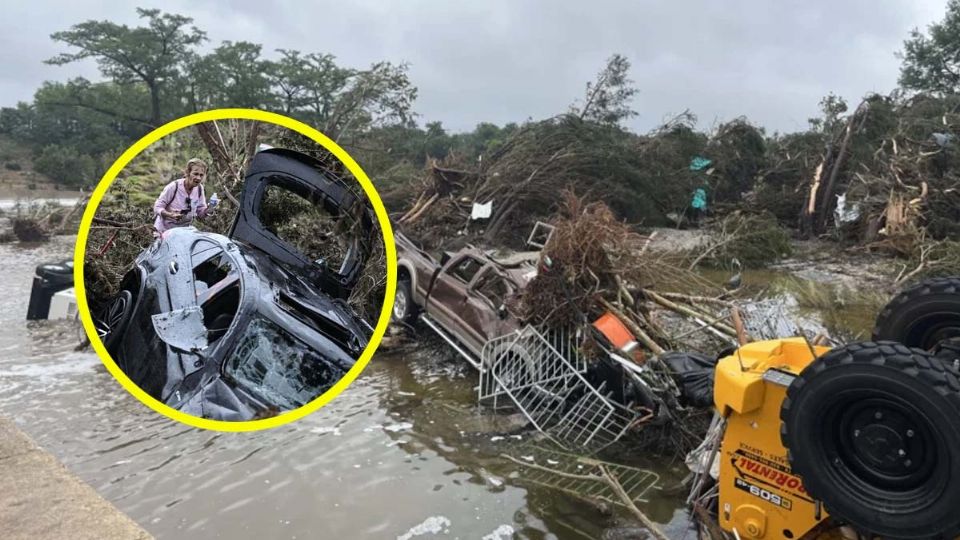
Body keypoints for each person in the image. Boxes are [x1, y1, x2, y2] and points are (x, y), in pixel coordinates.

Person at [153, 158, 218, 234]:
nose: (198, 178)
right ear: (188, 172)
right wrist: (170, 215)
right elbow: (157, 207)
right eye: (195, 174)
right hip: (164, 232)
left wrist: (210, 208)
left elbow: (200, 212)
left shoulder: (199, 189)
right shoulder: (174, 187)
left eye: (201, 175)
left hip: (182, 233)